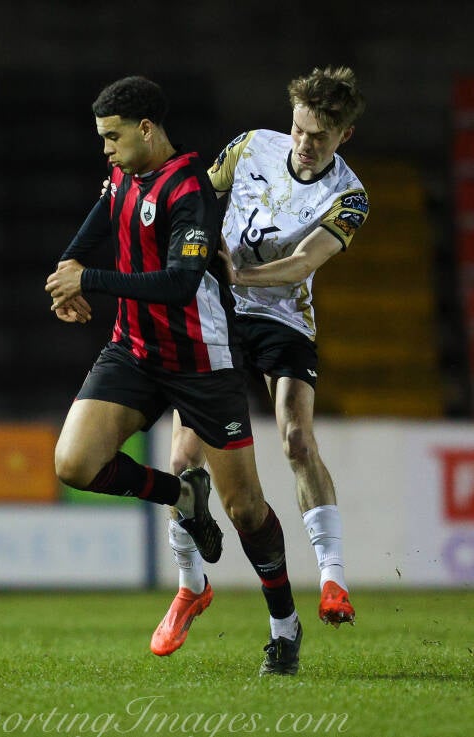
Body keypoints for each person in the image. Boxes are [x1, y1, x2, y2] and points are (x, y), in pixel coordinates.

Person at [45, 75, 302, 675]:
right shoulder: (122, 177)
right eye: (100, 138)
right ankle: (182, 493)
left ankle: (284, 626)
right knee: (73, 464)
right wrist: (68, 275)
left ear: (146, 129)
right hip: (132, 352)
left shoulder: (189, 191)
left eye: (112, 137)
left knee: (245, 511)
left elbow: (178, 284)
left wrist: (91, 281)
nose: (105, 148)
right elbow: (90, 235)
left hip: (199, 362)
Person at [151, 65, 368, 659]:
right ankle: (189, 586)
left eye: (319, 136)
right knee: (181, 459)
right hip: (217, 308)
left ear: (343, 137)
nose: (304, 142)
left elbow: (302, 264)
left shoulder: (349, 197)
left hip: (283, 316)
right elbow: (197, 188)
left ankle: (333, 579)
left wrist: (240, 273)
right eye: (298, 128)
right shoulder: (252, 145)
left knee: (297, 439)